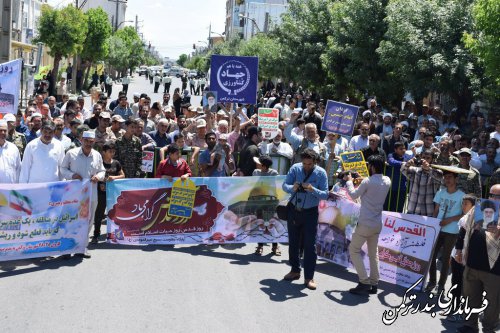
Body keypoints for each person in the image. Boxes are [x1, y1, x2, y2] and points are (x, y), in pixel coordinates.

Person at [455, 184, 500, 333]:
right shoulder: (478, 208)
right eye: (492, 195)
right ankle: (470, 325)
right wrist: (459, 249)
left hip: (494, 269)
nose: (493, 199)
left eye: (497, 196)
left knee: (492, 303)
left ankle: (489, 329)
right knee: (470, 296)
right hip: (472, 263)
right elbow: (463, 227)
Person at [282, 148, 329, 290]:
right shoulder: (295, 169)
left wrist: (312, 189)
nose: (306, 166)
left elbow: (325, 194)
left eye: (309, 164)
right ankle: (295, 270)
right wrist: (293, 187)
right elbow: (285, 185)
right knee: (293, 242)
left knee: (310, 246)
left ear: (315, 162)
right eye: (304, 163)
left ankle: (309, 277)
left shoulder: (321, 173)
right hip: (294, 211)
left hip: (310, 213)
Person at [344, 155, 391, 295]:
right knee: (373, 253)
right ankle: (374, 282)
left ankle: (364, 281)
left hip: (365, 222)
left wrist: (349, 182)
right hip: (377, 223)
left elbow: (353, 195)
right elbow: (370, 184)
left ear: (372, 166)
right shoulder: (387, 180)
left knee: (354, 250)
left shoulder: (367, 181)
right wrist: (360, 178)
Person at [60, 131, 106, 258]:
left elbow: (102, 170)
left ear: (94, 142)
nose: (88, 144)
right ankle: (68, 247)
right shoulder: (71, 153)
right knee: (72, 219)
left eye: (91, 142)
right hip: (74, 195)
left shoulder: (97, 155)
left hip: (91, 194)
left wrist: (98, 176)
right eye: (86, 141)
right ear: (81, 140)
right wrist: (72, 175)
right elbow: (63, 169)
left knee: (88, 220)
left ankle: (82, 247)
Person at [425, 170, 466, 294]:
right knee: (432, 256)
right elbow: (436, 210)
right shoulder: (441, 192)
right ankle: (432, 281)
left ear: (456, 179)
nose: (447, 179)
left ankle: (441, 285)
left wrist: (449, 220)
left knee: (446, 259)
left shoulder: (462, 195)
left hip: (452, 231)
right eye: (445, 177)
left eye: (450, 177)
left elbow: (464, 214)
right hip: (438, 229)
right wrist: (432, 225)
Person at [93, 140, 124, 244]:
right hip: (101, 193)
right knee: (99, 214)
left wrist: (114, 177)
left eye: (113, 151)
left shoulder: (116, 163)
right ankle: (96, 235)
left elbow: (123, 175)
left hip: (113, 193)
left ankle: (117, 234)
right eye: (110, 151)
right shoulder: (99, 163)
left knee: (116, 214)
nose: (112, 153)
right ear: (104, 152)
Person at [252, 155, 281, 256]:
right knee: (261, 223)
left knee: (271, 223)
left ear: (264, 166)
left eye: (259, 163)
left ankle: (275, 246)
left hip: (271, 202)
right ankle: (260, 246)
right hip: (258, 202)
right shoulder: (255, 172)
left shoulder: (274, 173)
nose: (257, 164)